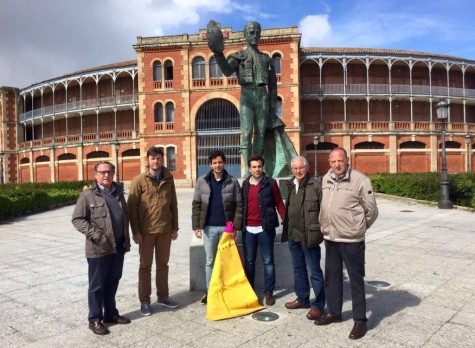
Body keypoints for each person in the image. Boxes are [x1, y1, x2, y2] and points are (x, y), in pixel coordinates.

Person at [315, 147, 379, 340]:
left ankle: (360, 320)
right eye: (333, 162)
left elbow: (372, 210)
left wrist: (357, 228)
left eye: (340, 161)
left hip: (352, 240)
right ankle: (334, 312)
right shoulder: (326, 179)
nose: (337, 165)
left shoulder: (360, 179)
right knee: (332, 278)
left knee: (356, 280)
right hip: (331, 238)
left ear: (347, 160)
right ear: (329, 163)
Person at [208, 21, 277, 170]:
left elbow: (273, 85)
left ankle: (258, 168)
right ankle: (247, 170)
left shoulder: (266, 59)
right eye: (251, 33)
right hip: (246, 96)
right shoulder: (238, 56)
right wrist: (218, 54)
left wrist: (272, 107)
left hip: (262, 97)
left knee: (260, 134)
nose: (255, 35)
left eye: (257, 32)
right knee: (246, 134)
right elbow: (226, 71)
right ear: (245, 35)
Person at [72, 161, 131, 335]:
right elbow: (77, 220)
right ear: (95, 174)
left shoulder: (118, 193)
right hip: (98, 248)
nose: (106, 175)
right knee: (97, 285)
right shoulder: (88, 196)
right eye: (102, 172)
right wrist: (97, 235)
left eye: (110, 172)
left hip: (118, 246)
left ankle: (111, 314)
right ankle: (95, 319)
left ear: (114, 173)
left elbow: (124, 216)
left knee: (113, 281)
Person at [127, 146, 179, 316]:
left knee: (163, 265)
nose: (155, 161)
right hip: (146, 231)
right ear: (147, 160)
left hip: (165, 229)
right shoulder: (139, 180)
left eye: (158, 158)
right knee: (145, 266)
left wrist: (174, 228)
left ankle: (163, 296)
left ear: (162, 159)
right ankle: (145, 301)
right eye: (152, 158)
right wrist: (136, 231)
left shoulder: (169, 178)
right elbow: (132, 208)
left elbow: (173, 205)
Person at [192, 150, 242, 304]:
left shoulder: (232, 181)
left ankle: (226, 290)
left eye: (220, 162)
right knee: (210, 261)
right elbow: (197, 204)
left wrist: (236, 226)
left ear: (224, 163)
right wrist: (196, 226)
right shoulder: (202, 181)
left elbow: (239, 205)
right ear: (210, 164)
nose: (217, 165)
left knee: (226, 261)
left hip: (227, 229)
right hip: (209, 228)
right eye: (214, 163)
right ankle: (211, 291)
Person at [281, 156, 325, 321]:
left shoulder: (316, 186)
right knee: (298, 269)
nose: (298, 171)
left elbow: (324, 212)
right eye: (295, 169)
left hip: (309, 237)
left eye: (300, 168)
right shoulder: (291, 185)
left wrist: (320, 231)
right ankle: (302, 299)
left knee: (314, 272)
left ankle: (319, 306)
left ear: (307, 168)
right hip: (293, 235)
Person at [241, 155, 285, 306]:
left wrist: (285, 218)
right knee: (249, 261)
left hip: (265, 228)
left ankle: (268, 292)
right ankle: (250, 290)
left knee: (268, 261)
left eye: (259, 166)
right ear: (249, 168)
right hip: (248, 229)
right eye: (254, 166)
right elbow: (241, 205)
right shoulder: (245, 184)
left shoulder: (271, 183)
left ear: (263, 167)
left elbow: (279, 202)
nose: (257, 169)